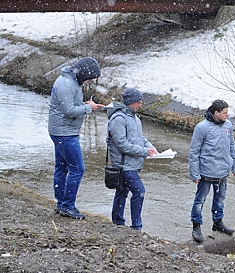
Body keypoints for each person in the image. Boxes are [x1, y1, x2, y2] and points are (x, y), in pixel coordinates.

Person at [48, 56, 105, 219]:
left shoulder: (69, 81)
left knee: (61, 167)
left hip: (60, 131)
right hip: (64, 133)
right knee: (77, 169)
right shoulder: (66, 84)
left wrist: (85, 104)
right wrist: (88, 107)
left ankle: (61, 204)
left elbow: (70, 106)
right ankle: (67, 206)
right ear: (83, 73)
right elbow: (68, 112)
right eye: (88, 78)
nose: (88, 82)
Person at [106, 88, 158, 230]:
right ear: (130, 102)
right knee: (139, 191)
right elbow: (122, 145)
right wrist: (144, 152)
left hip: (132, 164)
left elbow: (140, 138)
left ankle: (118, 222)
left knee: (122, 191)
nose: (140, 105)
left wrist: (151, 148)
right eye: (138, 102)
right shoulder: (118, 119)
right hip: (123, 165)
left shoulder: (135, 118)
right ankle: (136, 226)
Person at [189, 99, 235, 243]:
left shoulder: (227, 125)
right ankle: (196, 226)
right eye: (224, 113)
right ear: (216, 113)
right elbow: (194, 152)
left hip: (223, 171)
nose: (227, 115)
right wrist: (194, 173)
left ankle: (218, 222)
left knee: (220, 199)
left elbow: (232, 146)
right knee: (200, 200)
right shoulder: (201, 128)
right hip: (206, 172)